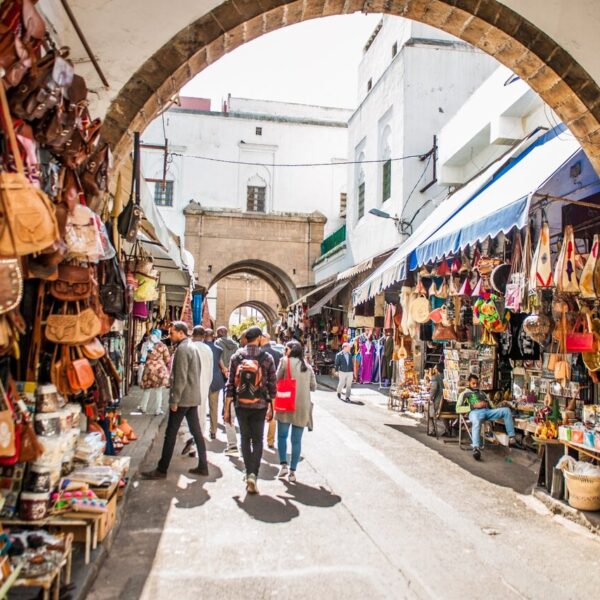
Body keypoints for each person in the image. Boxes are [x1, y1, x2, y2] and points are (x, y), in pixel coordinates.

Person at [141, 321, 209, 479]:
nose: (170, 336)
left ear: (180, 332)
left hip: (183, 399)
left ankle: (161, 469)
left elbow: (181, 378)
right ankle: (203, 466)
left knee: (170, 434)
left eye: (172, 333)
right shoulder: (191, 346)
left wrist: (174, 400)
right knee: (197, 433)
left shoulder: (183, 349)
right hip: (192, 397)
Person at [224, 326, 276, 494]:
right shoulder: (266, 358)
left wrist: (226, 410)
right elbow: (272, 386)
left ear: (246, 338)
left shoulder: (236, 357)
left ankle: (248, 473)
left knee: (245, 439)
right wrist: (272, 408)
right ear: (259, 338)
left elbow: (230, 385)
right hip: (260, 405)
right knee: (258, 440)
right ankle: (254, 474)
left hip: (241, 405)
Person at [276, 341, 316, 483]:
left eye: (286, 348)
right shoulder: (308, 367)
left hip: (286, 403)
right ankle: (293, 471)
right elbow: (313, 387)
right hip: (302, 407)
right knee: (296, 440)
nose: (284, 350)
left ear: (291, 350)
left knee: (281, 436)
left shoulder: (284, 361)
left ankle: (283, 465)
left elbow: (276, 379)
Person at [457, 373, 516, 461]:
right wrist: (474, 406)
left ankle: (511, 437)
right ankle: (476, 448)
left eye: (477, 383)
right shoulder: (464, 394)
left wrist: (489, 404)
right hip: (474, 412)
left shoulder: (482, 393)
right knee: (476, 421)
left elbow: (493, 406)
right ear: (469, 383)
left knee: (506, 410)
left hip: (487, 411)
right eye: (473, 383)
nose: (476, 385)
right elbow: (458, 409)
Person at [138, 329, 170, 415]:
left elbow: (142, 356)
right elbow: (167, 358)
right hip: (159, 369)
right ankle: (158, 410)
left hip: (148, 369)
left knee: (147, 389)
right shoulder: (162, 346)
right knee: (158, 390)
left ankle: (143, 407)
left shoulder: (146, 344)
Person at [204, 328, 228, 440]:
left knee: (200, 407)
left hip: (203, 380)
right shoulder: (218, 349)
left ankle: (199, 430)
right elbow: (220, 362)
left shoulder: (200, 348)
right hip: (215, 380)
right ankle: (213, 431)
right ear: (213, 336)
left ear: (204, 336)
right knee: (214, 407)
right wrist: (224, 370)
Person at [261, 332, 283, 450]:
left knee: (259, 413)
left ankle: (258, 438)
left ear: (264, 339)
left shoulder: (259, 353)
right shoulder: (278, 354)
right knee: (273, 414)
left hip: (260, 388)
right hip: (274, 388)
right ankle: (270, 440)